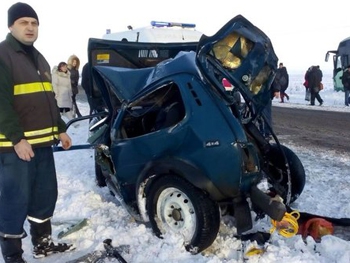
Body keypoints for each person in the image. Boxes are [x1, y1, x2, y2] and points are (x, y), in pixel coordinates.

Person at [0, 3, 74, 262]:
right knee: (14, 201)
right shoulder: (3, 55)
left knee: (44, 195)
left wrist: (61, 129)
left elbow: (49, 99)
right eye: (23, 23)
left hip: (42, 144)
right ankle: (12, 256)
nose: (30, 27)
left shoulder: (40, 58)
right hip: (14, 148)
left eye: (34, 23)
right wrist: (16, 138)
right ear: (11, 26)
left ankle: (42, 244)